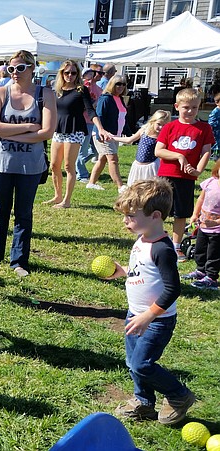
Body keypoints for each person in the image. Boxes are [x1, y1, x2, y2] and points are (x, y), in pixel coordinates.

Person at [108, 178, 196, 425]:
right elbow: (145, 271)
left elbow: (172, 289)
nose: (125, 221)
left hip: (156, 320)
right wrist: (124, 271)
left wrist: (149, 316)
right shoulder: (143, 238)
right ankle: (144, 402)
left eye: (131, 216)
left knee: (142, 364)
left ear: (155, 215)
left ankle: (178, 395)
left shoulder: (162, 249)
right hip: (135, 315)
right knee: (131, 362)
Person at [0, 50, 56, 278]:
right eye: (11, 69)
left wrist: (10, 133)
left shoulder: (45, 94)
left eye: (20, 68)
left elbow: (47, 131)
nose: (15, 73)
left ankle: (19, 261)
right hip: (1, 162)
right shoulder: (1, 92)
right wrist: (27, 128)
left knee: (24, 212)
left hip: (30, 165)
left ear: (32, 68)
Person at [155, 88, 215, 261]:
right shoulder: (169, 127)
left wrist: (198, 170)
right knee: (159, 210)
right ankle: (155, 240)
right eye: (186, 107)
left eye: (194, 108)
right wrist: (179, 156)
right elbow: (159, 151)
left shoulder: (204, 128)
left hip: (186, 178)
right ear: (177, 106)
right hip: (166, 175)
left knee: (181, 213)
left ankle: (175, 245)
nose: (190, 111)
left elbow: (206, 152)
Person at [45, 61, 111, 209]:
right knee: (54, 165)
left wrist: (100, 128)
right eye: (66, 72)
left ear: (78, 74)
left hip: (75, 130)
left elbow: (90, 110)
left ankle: (66, 201)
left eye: (73, 73)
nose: (70, 75)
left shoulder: (81, 90)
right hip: (59, 129)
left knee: (68, 166)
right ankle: (57, 196)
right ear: (61, 73)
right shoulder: (57, 90)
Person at [182, 159, 220, 289]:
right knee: (200, 250)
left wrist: (215, 222)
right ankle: (200, 271)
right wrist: (194, 214)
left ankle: (211, 277)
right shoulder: (210, 182)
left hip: (217, 230)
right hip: (203, 226)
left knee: (213, 254)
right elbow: (201, 199)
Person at [86, 75, 128, 192]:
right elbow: (98, 116)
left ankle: (91, 183)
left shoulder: (120, 99)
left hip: (114, 135)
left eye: (123, 84)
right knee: (113, 159)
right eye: (118, 84)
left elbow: (123, 118)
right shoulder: (106, 99)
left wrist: (130, 134)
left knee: (103, 159)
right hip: (103, 135)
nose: (121, 86)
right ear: (112, 85)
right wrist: (101, 132)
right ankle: (120, 186)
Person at [112, 110, 171, 186]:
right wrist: (113, 138)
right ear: (153, 121)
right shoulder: (144, 131)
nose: (160, 127)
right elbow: (129, 140)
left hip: (151, 165)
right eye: (158, 124)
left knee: (150, 187)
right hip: (137, 165)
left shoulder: (163, 136)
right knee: (134, 187)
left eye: (164, 126)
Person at [75, 67, 104, 182]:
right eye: (88, 74)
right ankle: (81, 174)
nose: (91, 76)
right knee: (83, 150)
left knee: (96, 150)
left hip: (95, 122)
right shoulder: (83, 87)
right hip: (84, 121)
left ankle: (76, 164)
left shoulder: (99, 89)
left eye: (102, 73)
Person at [208, 90, 220, 160]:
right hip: (216, 132)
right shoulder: (215, 112)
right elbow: (211, 123)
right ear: (217, 102)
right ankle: (216, 157)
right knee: (217, 145)